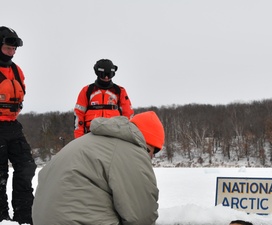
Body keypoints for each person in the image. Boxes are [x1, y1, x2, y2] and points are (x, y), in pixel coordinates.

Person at [32, 111, 165, 225]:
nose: (151, 158)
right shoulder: (132, 151)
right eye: (152, 152)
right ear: (147, 144)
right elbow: (141, 215)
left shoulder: (90, 140)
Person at [0, 26, 37, 224]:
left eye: (13, 49)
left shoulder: (16, 70)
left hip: (13, 125)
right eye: (7, 48)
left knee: (27, 167)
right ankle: (1, 218)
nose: (11, 52)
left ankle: (25, 216)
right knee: (0, 175)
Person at [74, 58, 134, 138]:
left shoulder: (119, 91)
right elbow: (79, 114)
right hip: (91, 134)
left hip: (114, 134)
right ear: (97, 73)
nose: (106, 77)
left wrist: (128, 135)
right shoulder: (87, 90)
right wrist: (79, 137)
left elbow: (128, 114)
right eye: (103, 74)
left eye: (109, 74)